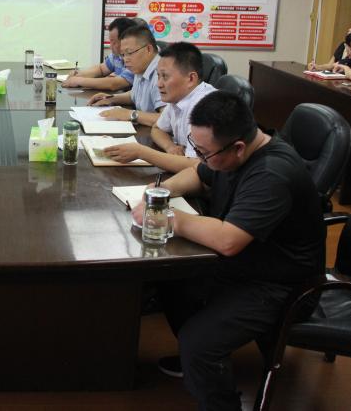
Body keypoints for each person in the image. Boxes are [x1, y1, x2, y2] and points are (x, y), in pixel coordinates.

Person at [131, 90, 325, 411]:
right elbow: (199, 174)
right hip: (249, 266)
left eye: (204, 152)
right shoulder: (232, 154)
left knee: (198, 345)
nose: (201, 157)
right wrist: (160, 192)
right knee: (169, 279)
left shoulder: (271, 173)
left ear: (237, 147)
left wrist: (167, 217)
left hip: (283, 286)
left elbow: (228, 240)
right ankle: (201, 365)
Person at [104, 42, 215, 173]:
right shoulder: (178, 97)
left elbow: (197, 166)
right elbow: (157, 128)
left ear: (191, 79)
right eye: (158, 76)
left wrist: (141, 152)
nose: (159, 84)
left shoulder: (205, 107)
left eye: (165, 76)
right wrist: (170, 147)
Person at [87, 24, 166, 126]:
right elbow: (135, 95)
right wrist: (111, 98)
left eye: (129, 53)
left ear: (148, 49)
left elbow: (166, 119)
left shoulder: (161, 75)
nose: (125, 60)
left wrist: (130, 114)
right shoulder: (141, 68)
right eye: (123, 54)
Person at [61, 17, 144, 91]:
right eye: (110, 41)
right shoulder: (116, 56)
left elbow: (114, 84)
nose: (110, 46)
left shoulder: (136, 59)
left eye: (114, 42)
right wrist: (79, 74)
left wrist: (79, 81)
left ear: (126, 40)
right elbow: (101, 69)